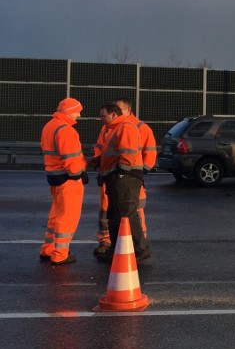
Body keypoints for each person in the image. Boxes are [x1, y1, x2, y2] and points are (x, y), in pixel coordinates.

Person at [92, 97, 156, 256]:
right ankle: (117, 247)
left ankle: (140, 248)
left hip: (124, 178)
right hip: (115, 177)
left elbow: (129, 153)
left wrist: (124, 172)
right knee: (115, 214)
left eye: (103, 115)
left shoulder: (127, 127)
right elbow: (107, 153)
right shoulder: (112, 128)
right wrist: (97, 164)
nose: (101, 118)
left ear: (115, 114)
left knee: (128, 212)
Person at [40, 98, 88, 265]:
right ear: (69, 111)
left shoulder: (50, 126)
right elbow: (71, 158)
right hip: (68, 179)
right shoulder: (66, 130)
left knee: (55, 215)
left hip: (54, 176)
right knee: (68, 217)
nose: (79, 114)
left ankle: (48, 249)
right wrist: (78, 174)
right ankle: (60, 254)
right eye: (77, 111)